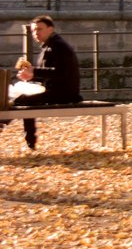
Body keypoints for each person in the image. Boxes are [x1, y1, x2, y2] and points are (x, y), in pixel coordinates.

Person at [0, 15, 82, 150]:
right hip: (55, 90)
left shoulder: (58, 46)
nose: (36, 33)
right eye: (33, 30)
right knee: (20, 96)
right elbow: (49, 74)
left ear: (50, 29)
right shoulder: (49, 46)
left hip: (65, 93)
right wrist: (31, 76)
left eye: (39, 29)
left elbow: (61, 73)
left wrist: (34, 72)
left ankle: (27, 139)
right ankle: (30, 141)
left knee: (24, 100)